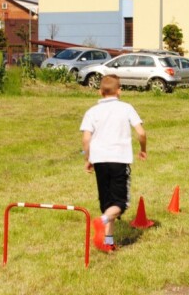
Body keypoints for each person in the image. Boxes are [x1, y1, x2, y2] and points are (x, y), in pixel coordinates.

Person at [80, 74, 147, 252]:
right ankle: (100, 221)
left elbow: (86, 139)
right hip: (119, 159)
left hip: (100, 160)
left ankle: (108, 242)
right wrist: (143, 149)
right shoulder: (126, 108)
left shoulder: (92, 112)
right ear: (120, 91)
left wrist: (88, 159)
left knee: (108, 204)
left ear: (100, 91)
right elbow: (141, 133)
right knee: (121, 203)